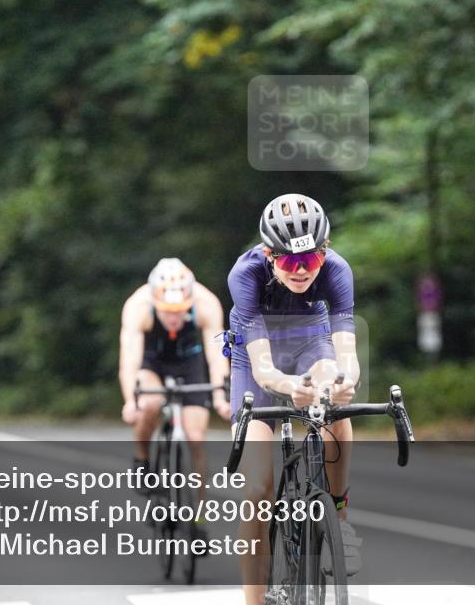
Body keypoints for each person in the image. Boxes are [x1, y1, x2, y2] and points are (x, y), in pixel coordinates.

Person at [227, 194, 360, 604]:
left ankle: (338, 516)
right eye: (288, 261)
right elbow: (264, 369)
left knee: (335, 401)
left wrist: (344, 383)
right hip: (256, 359)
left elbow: (346, 355)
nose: (301, 271)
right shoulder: (245, 274)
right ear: (269, 255)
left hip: (309, 343)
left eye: (311, 260)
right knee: (256, 492)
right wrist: (287, 386)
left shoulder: (337, 270)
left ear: (325, 251)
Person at [118, 258, 231, 509]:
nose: (173, 316)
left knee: (195, 436)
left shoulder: (206, 303)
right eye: (166, 310)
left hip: (189, 361)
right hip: (152, 360)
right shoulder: (138, 305)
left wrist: (220, 397)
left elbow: (216, 356)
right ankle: (142, 457)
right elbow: (130, 361)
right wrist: (130, 401)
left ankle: (199, 515)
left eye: (180, 309)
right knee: (150, 403)